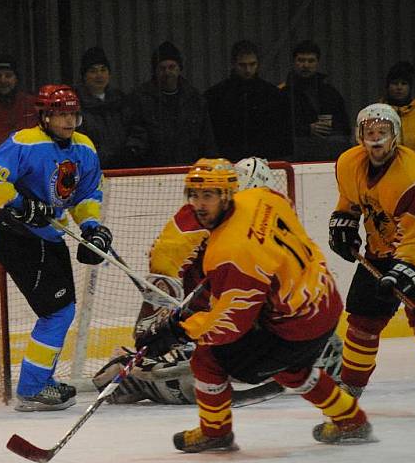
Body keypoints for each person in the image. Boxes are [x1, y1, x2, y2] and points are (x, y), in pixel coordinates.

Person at [135, 158, 373, 452]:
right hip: (323, 300)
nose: (198, 204)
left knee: (207, 358)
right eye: (193, 195)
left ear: (227, 194)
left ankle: (215, 432)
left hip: (294, 324)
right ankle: (351, 419)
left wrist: (179, 331)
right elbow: (269, 253)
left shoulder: (231, 252)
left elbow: (230, 326)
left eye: (208, 196)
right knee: (290, 369)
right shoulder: (263, 196)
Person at [93, 157, 340, 406]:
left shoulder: (256, 216)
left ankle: (148, 373)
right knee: (206, 368)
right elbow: (162, 283)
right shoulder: (194, 227)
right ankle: (144, 374)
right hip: (208, 318)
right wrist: (158, 331)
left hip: (235, 315)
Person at [0, 84, 110, 412]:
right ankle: (33, 387)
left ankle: (37, 383)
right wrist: (22, 204)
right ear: (45, 116)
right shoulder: (25, 142)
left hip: (49, 237)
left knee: (61, 312)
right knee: (57, 312)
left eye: (73, 113)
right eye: (61, 114)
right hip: (18, 238)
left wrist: (91, 228)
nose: (69, 120)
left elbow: (86, 195)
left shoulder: (84, 148)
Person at [329, 103, 415, 417]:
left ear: (395, 136)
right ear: (360, 136)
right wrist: (343, 221)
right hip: (382, 238)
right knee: (364, 317)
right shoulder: (349, 162)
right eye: (370, 132)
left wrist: (403, 271)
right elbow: (351, 199)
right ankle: (351, 385)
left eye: (383, 132)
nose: (375, 139)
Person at [126, 41, 216, 166]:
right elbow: (136, 138)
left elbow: (207, 140)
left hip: (189, 170)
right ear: (155, 71)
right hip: (153, 172)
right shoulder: (140, 99)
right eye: (162, 68)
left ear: (180, 69)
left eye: (172, 67)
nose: (167, 73)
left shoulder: (194, 99)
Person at [204, 40, 291, 162]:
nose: (248, 70)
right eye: (242, 65)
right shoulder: (215, 96)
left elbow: (281, 134)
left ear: (258, 64)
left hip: (265, 162)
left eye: (252, 64)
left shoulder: (272, 95)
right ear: (233, 64)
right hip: (228, 163)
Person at [279, 40, 351, 162]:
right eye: (301, 60)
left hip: (328, 155)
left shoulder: (330, 93)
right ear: (294, 62)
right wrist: (307, 129)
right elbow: (279, 128)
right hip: (294, 157)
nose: (306, 65)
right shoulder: (284, 94)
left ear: (317, 62)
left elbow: (344, 126)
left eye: (311, 61)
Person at [74, 46, 139, 169]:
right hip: (92, 171)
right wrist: (103, 158)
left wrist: (131, 151)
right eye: (93, 71)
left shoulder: (123, 101)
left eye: (103, 70)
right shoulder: (76, 106)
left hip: (125, 170)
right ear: (84, 76)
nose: (99, 75)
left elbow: (137, 130)